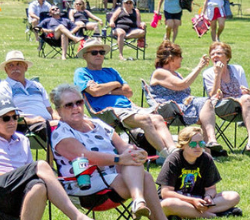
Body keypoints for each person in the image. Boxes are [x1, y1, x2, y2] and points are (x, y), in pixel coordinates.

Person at [49, 84, 169, 220]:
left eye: (79, 102)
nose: (76, 107)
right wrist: (119, 159)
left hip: (115, 176)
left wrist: (135, 151)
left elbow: (122, 146)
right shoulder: (61, 133)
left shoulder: (97, 124)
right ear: (58, 111)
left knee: (137, 165)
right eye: (69, 105)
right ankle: (142, 204)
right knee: (144, 177)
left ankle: (139, 202)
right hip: (85, 185)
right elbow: (87, 156)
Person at [0, 98, 92, 220]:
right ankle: (77, 216)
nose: (12, 122)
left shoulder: (23, 140)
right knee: (40, 166)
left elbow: (30, 175)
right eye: (6, 118)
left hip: (16, 193)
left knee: (38, 186)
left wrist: (19, 179)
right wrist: (13, 177)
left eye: (15, 117)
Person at [72, 39, 182, 154]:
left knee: (158, 118)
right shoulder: (82, 72)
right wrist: (116, 84)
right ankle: (166, 155)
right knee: (145, 119)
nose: (99, 55)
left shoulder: (111, 71)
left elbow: (128, 91)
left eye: (101, 52)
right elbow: (95, 92)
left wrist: (105, 89)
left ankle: (173, 151)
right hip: (108, 113)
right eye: (94, 52)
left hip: (129, 108)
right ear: (85, 56)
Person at [200, 42, 250, 155]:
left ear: (227, 57)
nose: (215, 56)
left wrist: (246, 92)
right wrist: (217, 75)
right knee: (247, 100)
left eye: (219, 53)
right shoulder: (208, 73)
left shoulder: (237, 69)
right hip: (222, 105)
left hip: (243, 106)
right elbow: (213, 96)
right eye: (212, 54)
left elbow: (246, 91)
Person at [156, 127, 243, 218]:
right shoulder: (173, 160)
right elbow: (166, 193)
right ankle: (212, 215)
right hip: (179, 200)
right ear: (183, 145)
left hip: (200, 201)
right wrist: (192, 201)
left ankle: (187, 213)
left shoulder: (206, 159)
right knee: (167, 205)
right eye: (193, 144)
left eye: (201, 143)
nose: (198, 147)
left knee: (233, 196)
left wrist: (208, 197)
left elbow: (211, 188)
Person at [146, 41, 208, 137]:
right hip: (171, 109)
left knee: (207, 106)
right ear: (171, 59)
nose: (182, 58)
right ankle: (209, 144)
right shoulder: (160, 72)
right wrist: (199, 67)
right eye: (180, 56)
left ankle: (209, 145)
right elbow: (183, 84)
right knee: (206, 110)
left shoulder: (177, 74)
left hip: (185, 106)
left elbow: (184, 88)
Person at [0, 50, 55, 131]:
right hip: (27, 126)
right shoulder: (4, 87)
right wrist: (32, 120)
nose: (15, 68)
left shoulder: (37, 86)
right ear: (6, 70)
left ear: (25, 67)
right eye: (11, 65)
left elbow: (49, 110)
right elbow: (6, 114)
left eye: (18, 64)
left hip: (48, 123)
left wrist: (60, 119)